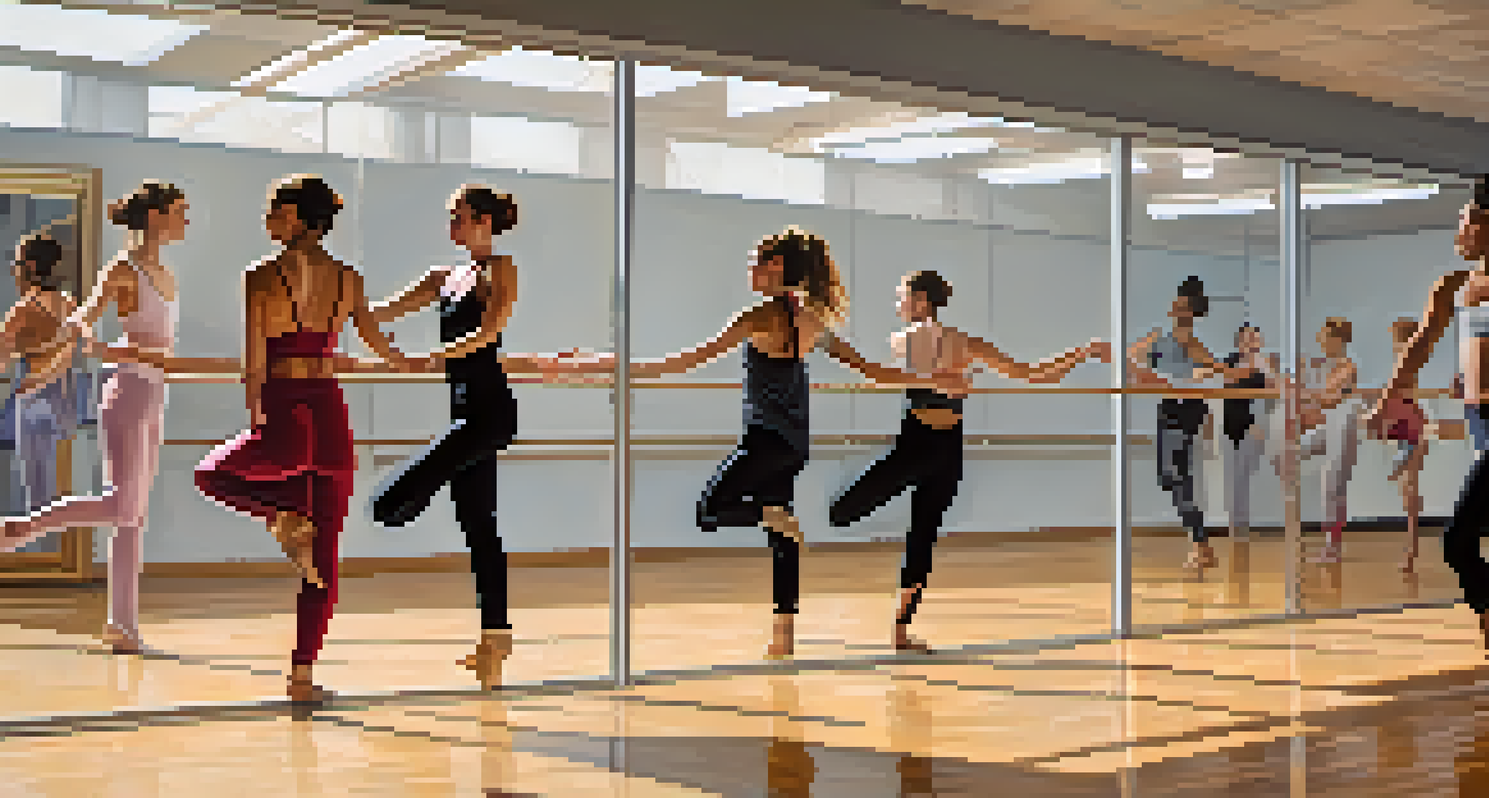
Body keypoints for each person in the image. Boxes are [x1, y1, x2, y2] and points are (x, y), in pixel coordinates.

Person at [537, 227, 965, 659]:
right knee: (783, 539)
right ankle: (783, 637)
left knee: (711, 510)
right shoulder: (812, 319)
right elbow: (874, 372)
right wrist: (935, 380)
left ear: (775, 267)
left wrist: (599, 365)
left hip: (762, 441)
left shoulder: (758, 317)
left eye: (755, 261)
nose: (750, 270)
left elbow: (681, 362)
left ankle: (770, 519)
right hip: (794, 446)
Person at [193, 175, 427, 702]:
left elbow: (255, 360)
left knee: (210, 474)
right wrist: (417, 363)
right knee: (324, 560)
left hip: (284, 411)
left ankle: (279, 516)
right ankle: (302, 674)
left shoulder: (259, 277)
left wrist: (257, 415)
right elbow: (375, 340)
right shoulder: (347, 278)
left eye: (274, 210)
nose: (267, 219)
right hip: (328, 415)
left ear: (297, 216)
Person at [827, 269, 1109, 653]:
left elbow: (1031, 374)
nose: (897, 305)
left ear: (922, 301)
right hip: (914, 444)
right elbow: (882, 375)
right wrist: (935, 378)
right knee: (841, 513)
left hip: (947, 451)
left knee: (922, 536)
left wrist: (1086, 352)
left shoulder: (962, 343)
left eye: (902, 297)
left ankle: (900, 628)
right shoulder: (901, 342)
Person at [0, 183, 211, 656]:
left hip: (156, 392)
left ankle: (123, 625)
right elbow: (84, 323)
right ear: (154, 216)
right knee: (122, 506)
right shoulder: (123, 268)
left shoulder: (167, 272)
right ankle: (19, 529)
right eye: (180, 210)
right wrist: (102, 346)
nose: (187, 219)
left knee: (133, 517)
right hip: (128, 390)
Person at [1371, 171, 1489, 713]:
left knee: (1460, 538)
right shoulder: (1451, 287)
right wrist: (1390, 398)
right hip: (1479, 424)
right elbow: (1419, 347)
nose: (1459, 231)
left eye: (1465, 220)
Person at [367, 185, 535, 690]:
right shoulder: (444, 277)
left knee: (387, 504)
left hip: (489, 414)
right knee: (478, 524)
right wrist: (339, 317)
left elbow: (489, 332)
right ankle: (495, 640)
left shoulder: (500, 269)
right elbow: (381, 310)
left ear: (483, 220)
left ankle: (495, 639)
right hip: (463, 411)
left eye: (458, 216)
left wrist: (432, 359)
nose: (451, 225)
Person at [1127, 276, 1241, 570]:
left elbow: (1219, 370)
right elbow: (1131, 357)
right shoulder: (1158, 338)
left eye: (1180, 305)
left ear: (1189, 313)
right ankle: (1200, 542)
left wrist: (1197, 376)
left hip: (1187, 407)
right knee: (1169, 477)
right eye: (1174, 303)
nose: (1174, 307)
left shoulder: (1191, 342)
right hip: (1169, 405)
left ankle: (1200, 544)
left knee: (1177, 474)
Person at [1272, 318, 1360, 564]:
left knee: (1332, 487)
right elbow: (1320, 401)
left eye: (1325, 339)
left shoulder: (1348, 368)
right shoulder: (1329, 368)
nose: (1321, 343)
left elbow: (1327, 399)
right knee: (1288, 455)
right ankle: (1303, 532)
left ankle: (1332, 547)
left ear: (1337, 340)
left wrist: (1298, 391)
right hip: (1330, 426)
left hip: (1343, 428)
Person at [4, 234, 79, 515]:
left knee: (37, 495)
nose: (14, 270)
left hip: (35, 400)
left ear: (31, 267)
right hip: (66, 402)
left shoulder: (23, 311)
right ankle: (61, 549)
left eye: (17, 263)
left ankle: (43, 550)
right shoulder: (70, 306)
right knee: (63, 490)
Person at [1370, 318, 1429, 573]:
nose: (1395, 345)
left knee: (1409, 490)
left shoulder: (1407, 368)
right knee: (1408, 491)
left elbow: (1401, 400)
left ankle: (1411, 550)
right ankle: (1410, 549)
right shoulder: (1405, 367)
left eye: (1397, 339)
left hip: (1412, 433)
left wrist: (1380, 416)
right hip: (1407, 433)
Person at [1220, 323, 1279, 541]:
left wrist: (1263, 367)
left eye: (1255, 339)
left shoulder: (1264, 364)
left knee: (1244, 475)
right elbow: (1229, 381)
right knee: (1232, 477)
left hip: (1253, 426)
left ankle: (1241, 525)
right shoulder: (1230, 362)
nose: (1251, 343)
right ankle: (1233, 525)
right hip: (1230, 425)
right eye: (1246, 339)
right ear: (1239, 342)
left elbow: (1274, 391)